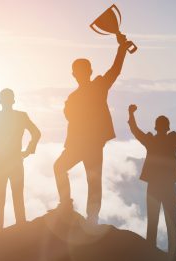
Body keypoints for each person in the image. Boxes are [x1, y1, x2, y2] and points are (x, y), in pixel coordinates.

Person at [52, 33, 135, 224]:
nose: (79, 74)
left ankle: (72, 207)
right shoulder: (94, 88)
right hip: (89, 144)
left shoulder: (75, 97)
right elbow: (114, 71)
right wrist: (121, 50)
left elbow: (114, 71)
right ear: (89, 71)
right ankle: (89, 217)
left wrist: (122, 50)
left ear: (77, 74)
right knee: (92, 180)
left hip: (82, 144)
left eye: (79, 71)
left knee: (63, 169)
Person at [127, 103, 176, 258]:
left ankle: (150, 254)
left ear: (156, 127)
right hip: (169, 186)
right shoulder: (173, 140)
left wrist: (131, 114)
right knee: (172, 222)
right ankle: (173, 256)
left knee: (152, 223)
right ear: (168, 127)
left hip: (153, 186)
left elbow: (135, 131)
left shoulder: (150, 141)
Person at [0, 88, 41, 232]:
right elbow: (36, 133)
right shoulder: (21, 117)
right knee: (18, 196)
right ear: (13, 101)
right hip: (16, 161)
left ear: (0, 101)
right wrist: (28, 151)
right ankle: (21, 229)